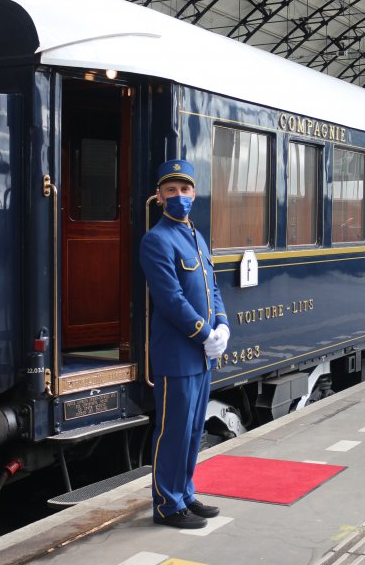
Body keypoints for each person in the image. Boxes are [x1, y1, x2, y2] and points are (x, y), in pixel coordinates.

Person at [139, 158, 230, 529]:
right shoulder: (156, 239)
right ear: (159, 197)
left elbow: (213, 288)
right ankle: (166, 505)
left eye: (185, 189)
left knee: (194, 430)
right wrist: (204, 332)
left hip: (202, 355)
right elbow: (170, 298)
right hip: (177, 354)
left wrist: (223, 324)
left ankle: (185, 493)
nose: (179, 196)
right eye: (171, 191)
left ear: (194, 193)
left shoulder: (195, 235)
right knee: (173, 430)